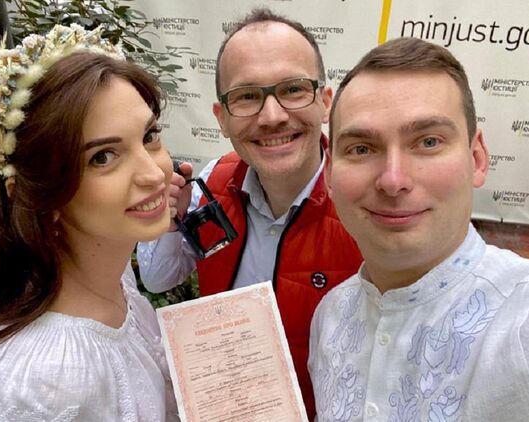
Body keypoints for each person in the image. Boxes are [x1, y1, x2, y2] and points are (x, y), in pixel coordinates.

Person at [309, 37, 529, 421]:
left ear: (477, 158)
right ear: (329, 172)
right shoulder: (329, 317)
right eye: (361, 149)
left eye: (428, 142)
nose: (393, 180)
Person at [0, 25, 179, 421]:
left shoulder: (111, 274)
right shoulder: (44, 384)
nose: (154, 174)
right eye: (102, 157)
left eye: (149, 136)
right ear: (36, 193)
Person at [137, 8, 362, 418]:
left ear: (325, 102)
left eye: (293, 89)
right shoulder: (213, 181)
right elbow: (157, 278)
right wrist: (168, 223)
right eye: (246, 96)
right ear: (221, 119)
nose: (272, 116)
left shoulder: (364, 206)